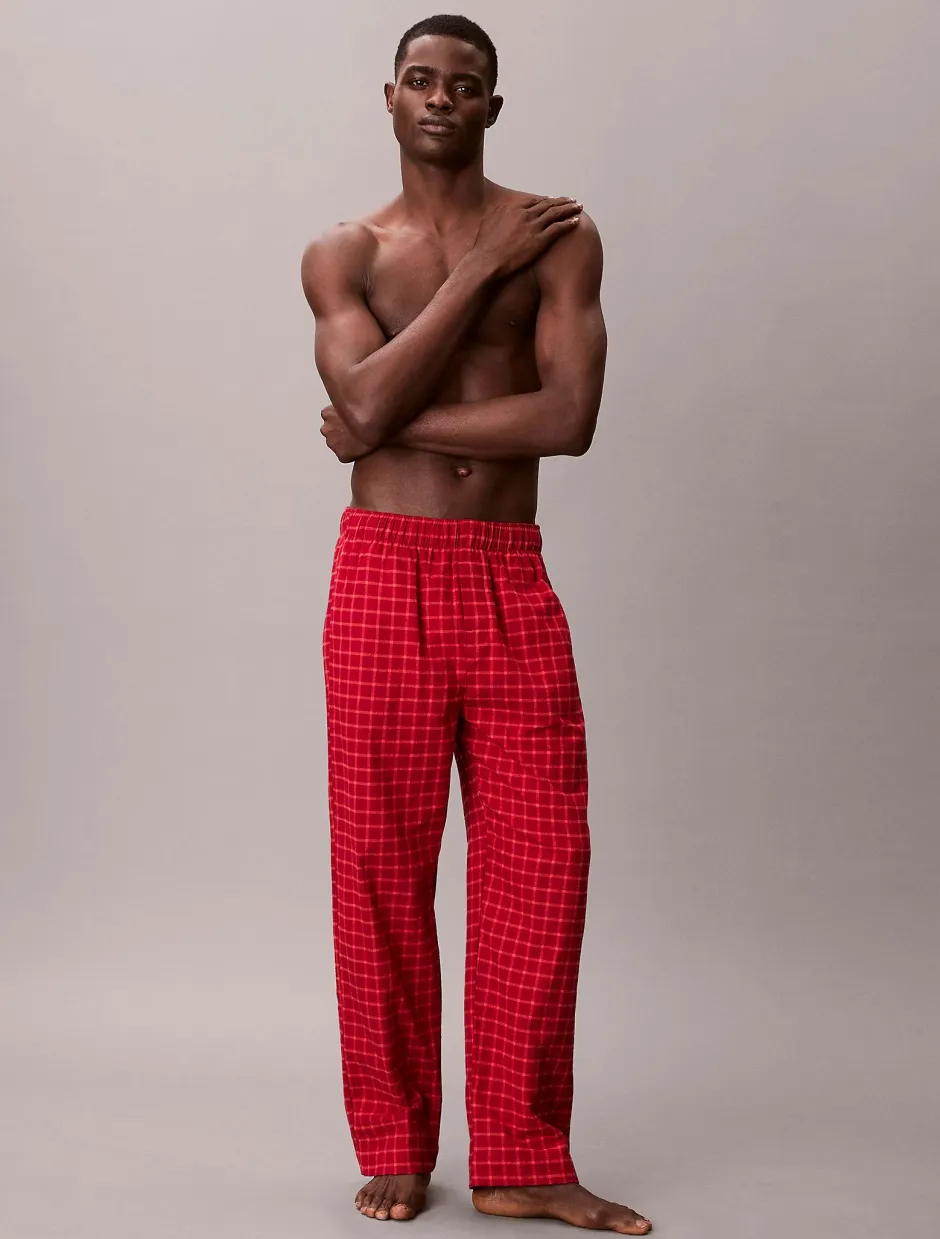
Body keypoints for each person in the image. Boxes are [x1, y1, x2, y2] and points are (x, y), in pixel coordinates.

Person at [300, 13, 652, 1234]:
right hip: (382, 574)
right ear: (389, 98)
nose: (442, 98)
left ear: (494, 106)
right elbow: (357, 395)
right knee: (380, 871)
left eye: (466, 84)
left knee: (541, 867)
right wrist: (473, 270)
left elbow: (567, 420)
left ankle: (519, 1157)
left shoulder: (558, 236)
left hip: (506, 574)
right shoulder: (344, 252)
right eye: (421, 79)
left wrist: (379, 421)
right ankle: (397, 1143)